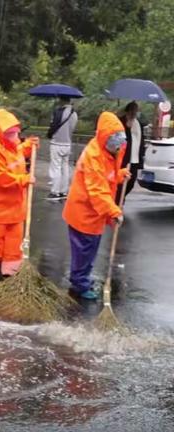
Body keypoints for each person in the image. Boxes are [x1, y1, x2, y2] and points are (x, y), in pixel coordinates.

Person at [63, 111, 130, 300]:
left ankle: (82, 279)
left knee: (90, 249)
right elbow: (97, 190)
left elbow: (106, 178)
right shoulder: (93, 157)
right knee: (83, 251)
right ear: (106, 138)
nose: (119, 148)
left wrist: (119, 174)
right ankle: (79, 284)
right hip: (83, 213)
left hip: (95, 214)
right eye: (116, 145)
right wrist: (114, 211)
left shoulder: (107, 151)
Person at [0, 108, 38, 284]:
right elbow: (2, 178)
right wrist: (24, 179)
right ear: (0, 131)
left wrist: (27, 146)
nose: (14, 135)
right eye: (9, 132)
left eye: (15, 132)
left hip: (15, 205)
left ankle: (10, 273)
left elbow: (15, 155)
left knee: (13, 241)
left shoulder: (10, 142)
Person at [47, 96, 78, 200]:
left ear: (62, 100)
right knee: (65, 168)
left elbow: (53, 126)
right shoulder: (74, 113)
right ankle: (64, 191)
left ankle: (54, 192)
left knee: (55, 168)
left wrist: (49, 134)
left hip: (57, 143)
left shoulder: (59, 112)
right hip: (67, 143)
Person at [117, 101, 145, 203]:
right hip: (124, 158)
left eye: (136, 110)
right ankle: (118, 202)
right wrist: (127, 127)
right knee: (121, 182)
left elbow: (141, 140)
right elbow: (118, 138)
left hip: (135, 159)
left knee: (131, 182)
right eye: (133, 110)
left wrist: (142, 155)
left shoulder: (138, 123)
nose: (134, 112)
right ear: (128, 110)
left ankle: (121, 198)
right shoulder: (121, 122)